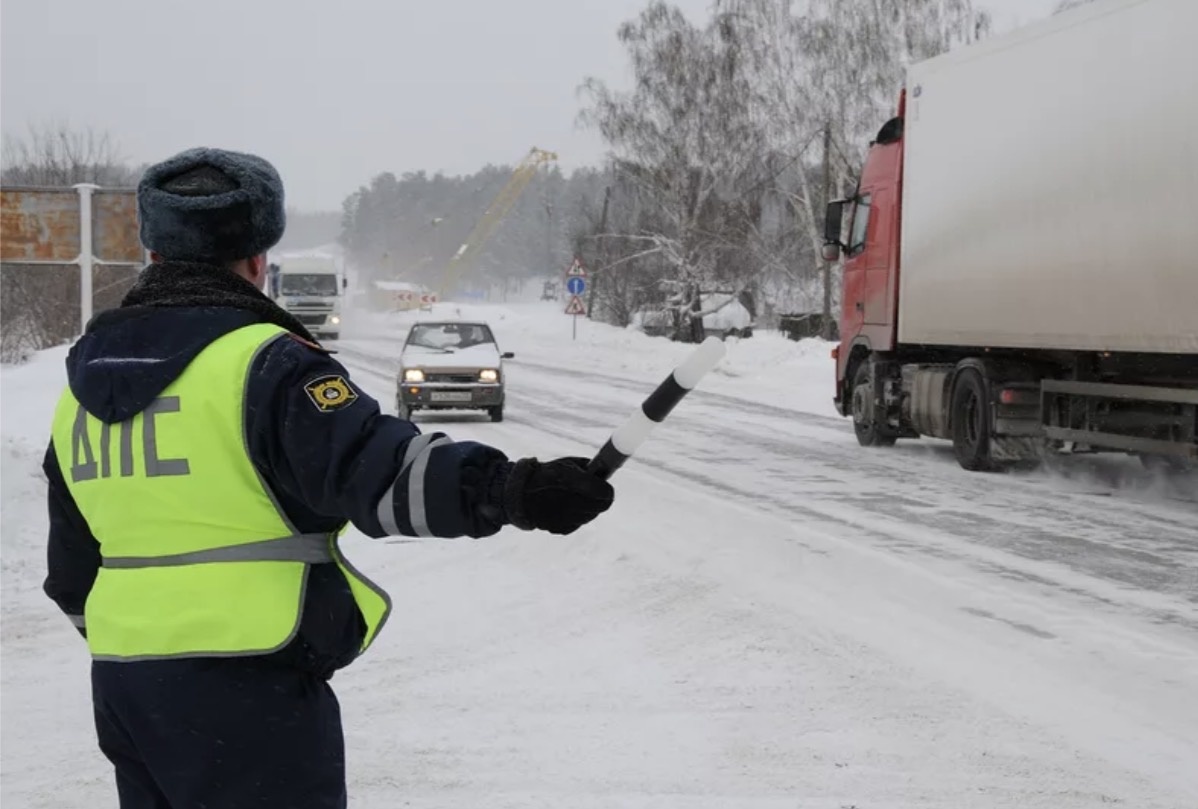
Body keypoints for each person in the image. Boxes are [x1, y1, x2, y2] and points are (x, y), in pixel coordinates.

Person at [41, 147, 615, 809]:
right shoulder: (266, 365)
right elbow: (380, 472)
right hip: (250, 682)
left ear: (153, 254)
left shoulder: (78, 394)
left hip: (126, 690)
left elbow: (70, 571)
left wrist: (137, 639)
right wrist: (513, 489)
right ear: (257, 260)